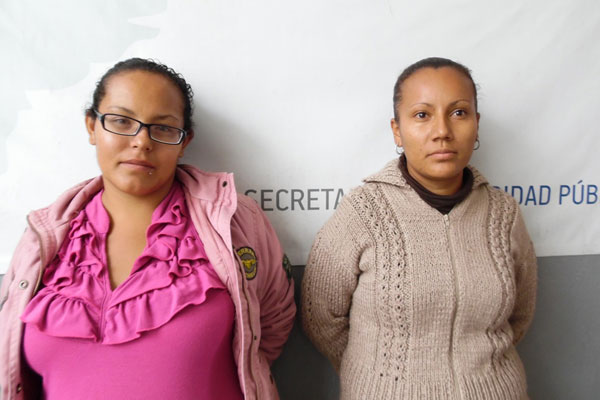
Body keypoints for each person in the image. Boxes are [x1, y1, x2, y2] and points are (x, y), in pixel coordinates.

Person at [0, 58, 296, 400]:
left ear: (184, 141)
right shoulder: (43, 235)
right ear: (92, 126)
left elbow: (271, 325)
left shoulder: (235, 221)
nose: (142, 141)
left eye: (164, 128)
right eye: (121, 121)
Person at [302, 57, 537, 399]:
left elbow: (520, 316)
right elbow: (321, 318)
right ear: (397, 130)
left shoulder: (504, 214)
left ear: (476, 123)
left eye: (459, 112)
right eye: (422, 115)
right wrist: (380, 377)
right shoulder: (362, 212)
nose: (442, 131)